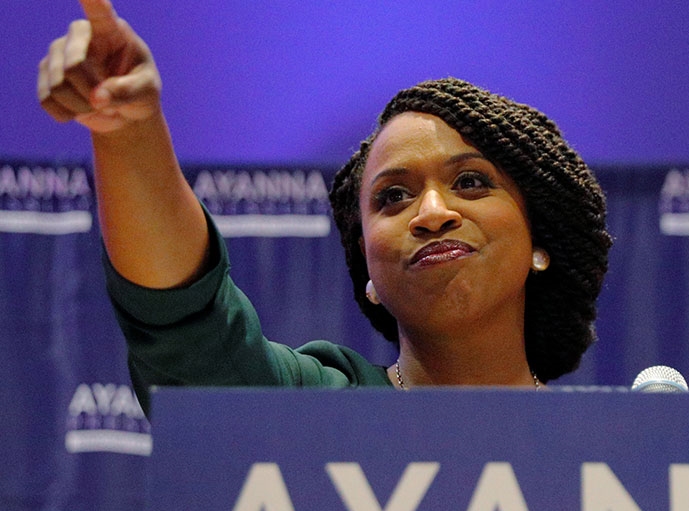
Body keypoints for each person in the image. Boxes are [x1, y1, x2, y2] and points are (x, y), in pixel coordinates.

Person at [38, 0, 612, 414]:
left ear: (540, 241)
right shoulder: (307, 414)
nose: (432, 212)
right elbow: (185, 326)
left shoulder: (619, 453)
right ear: (369, 276)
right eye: (393, 197)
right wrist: (128, 131)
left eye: (469, 182)